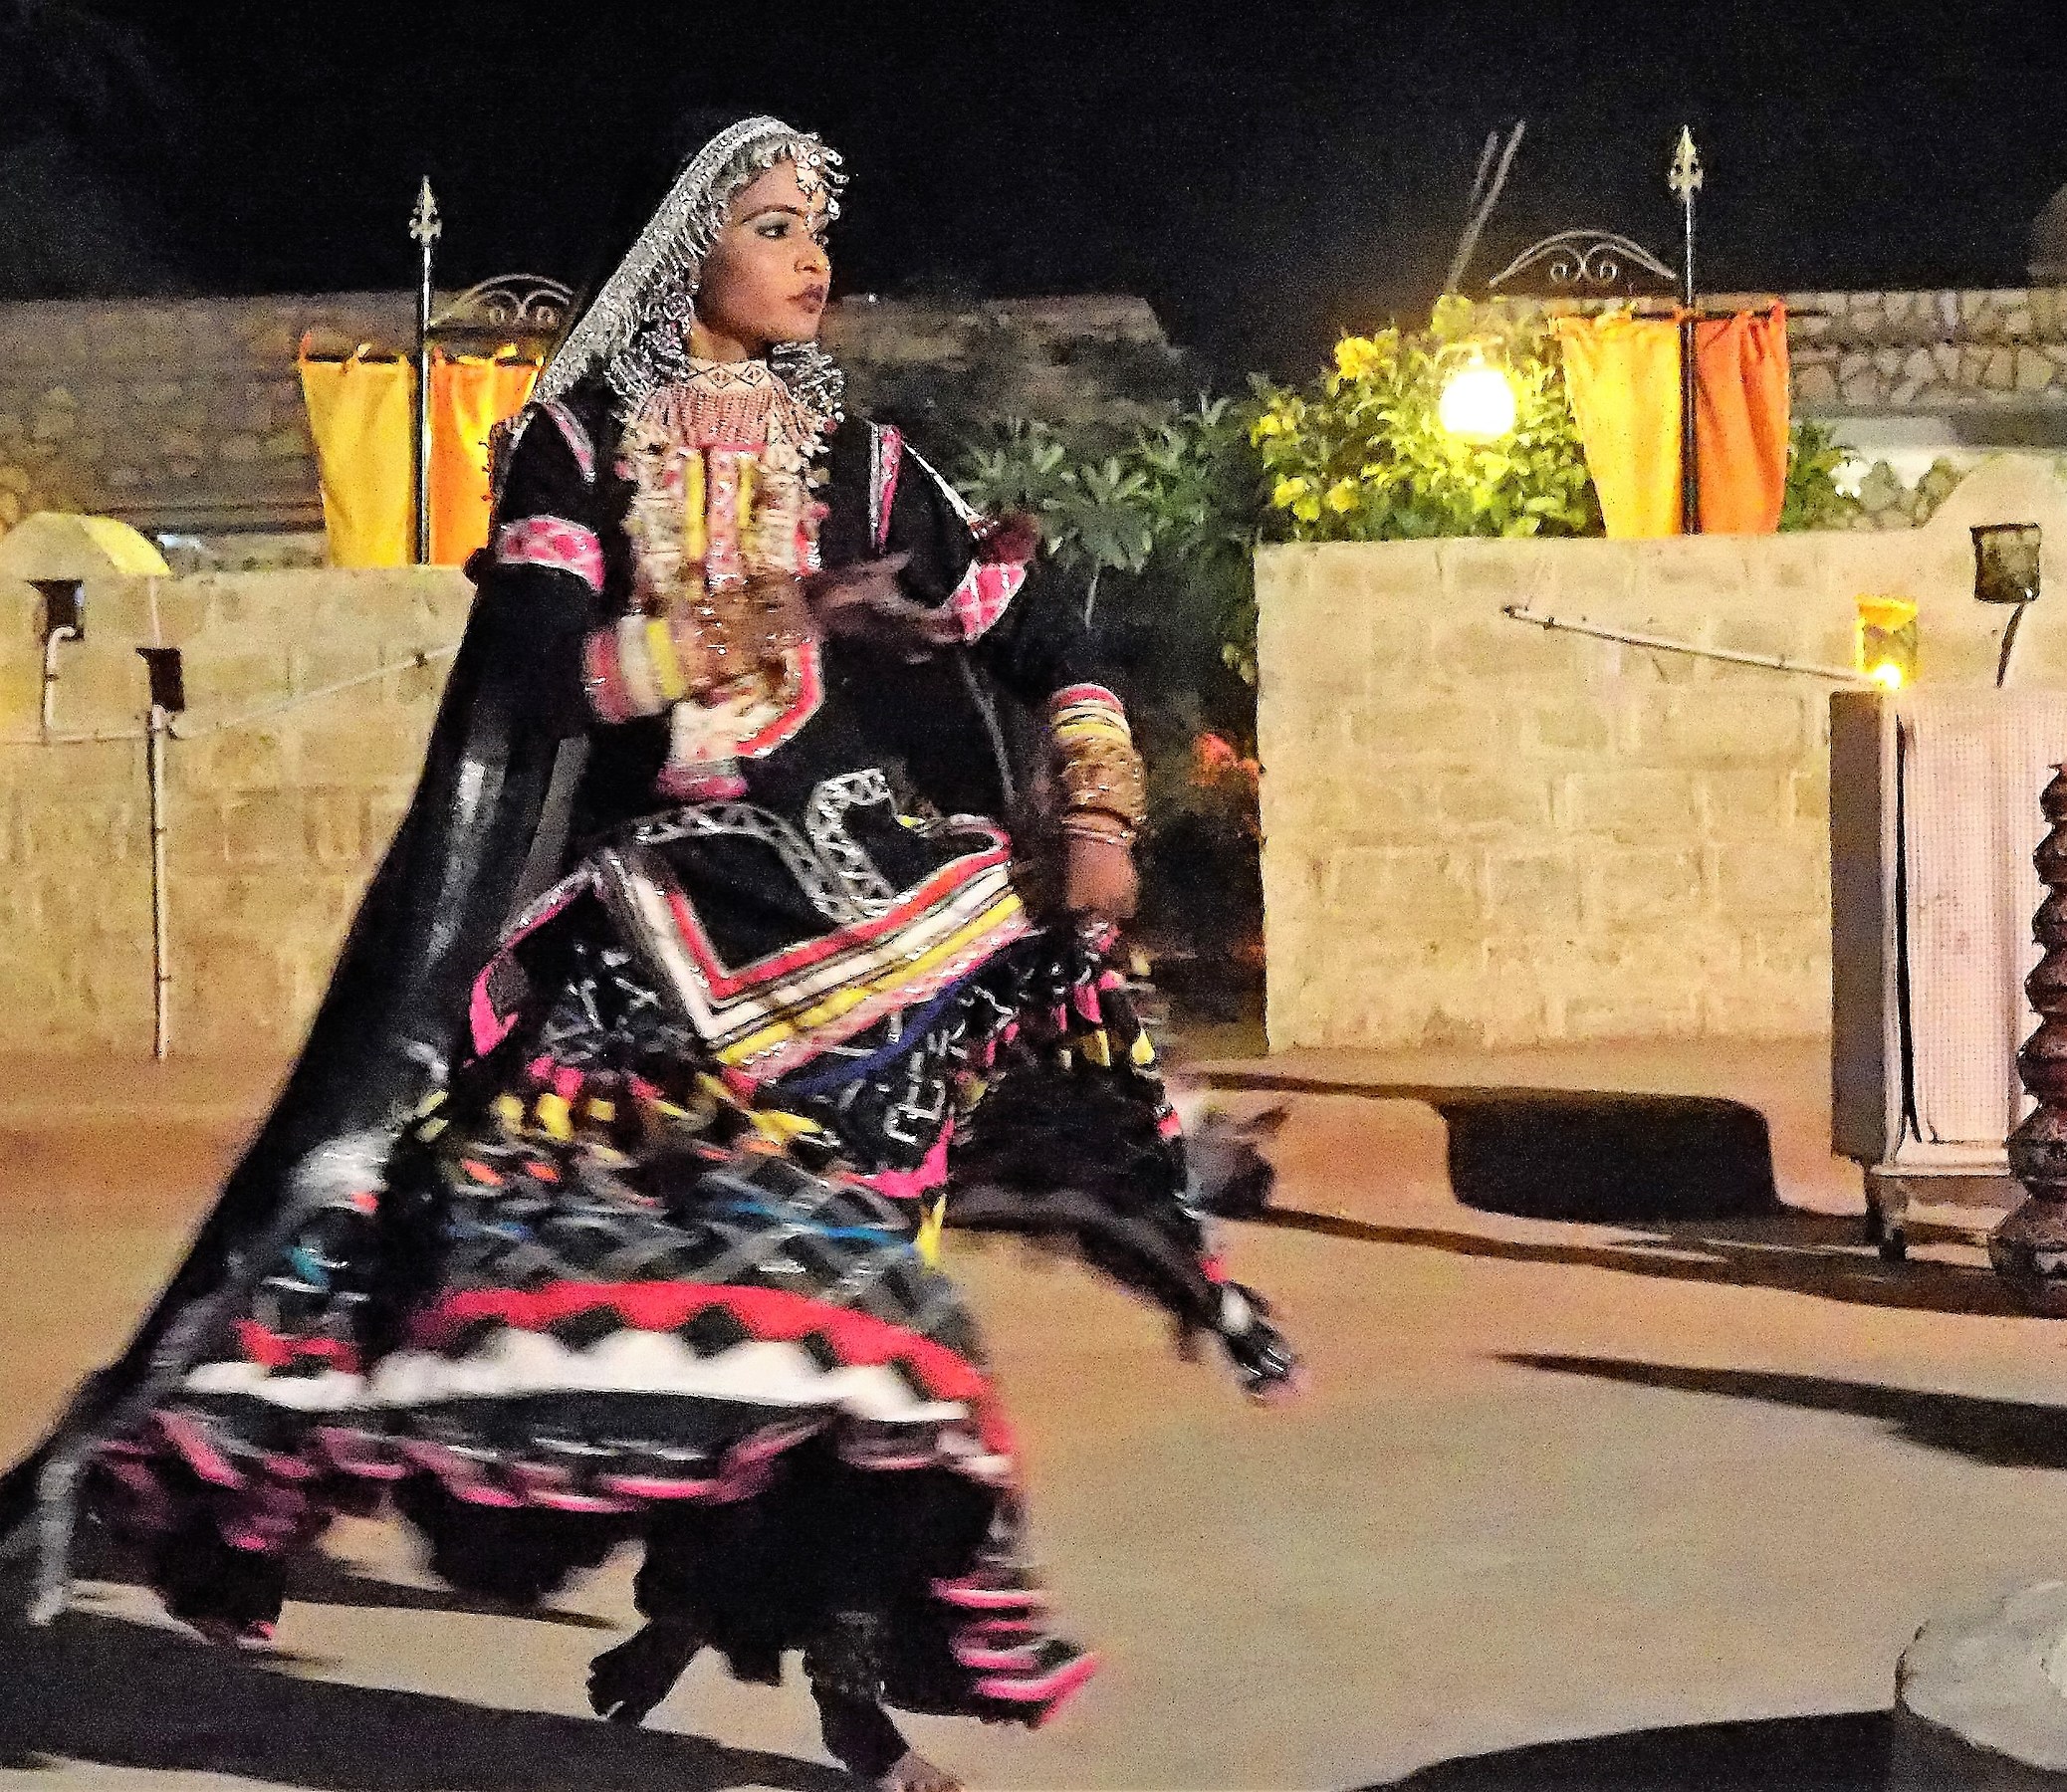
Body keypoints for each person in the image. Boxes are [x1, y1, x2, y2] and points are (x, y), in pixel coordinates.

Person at [0, 112, 1294, 1792]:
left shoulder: (872, 467)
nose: (815, 257)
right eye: (773, 226)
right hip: (663, 940)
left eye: (822, 226)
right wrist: (790, 614)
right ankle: (754, 1607)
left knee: (860, 1314)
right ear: (691, 253)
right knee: (620, 1302)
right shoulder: (578, 448)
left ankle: (837, 1661)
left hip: (874, 929)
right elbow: (548, 679)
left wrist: (1104, 818)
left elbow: (1059, 640)